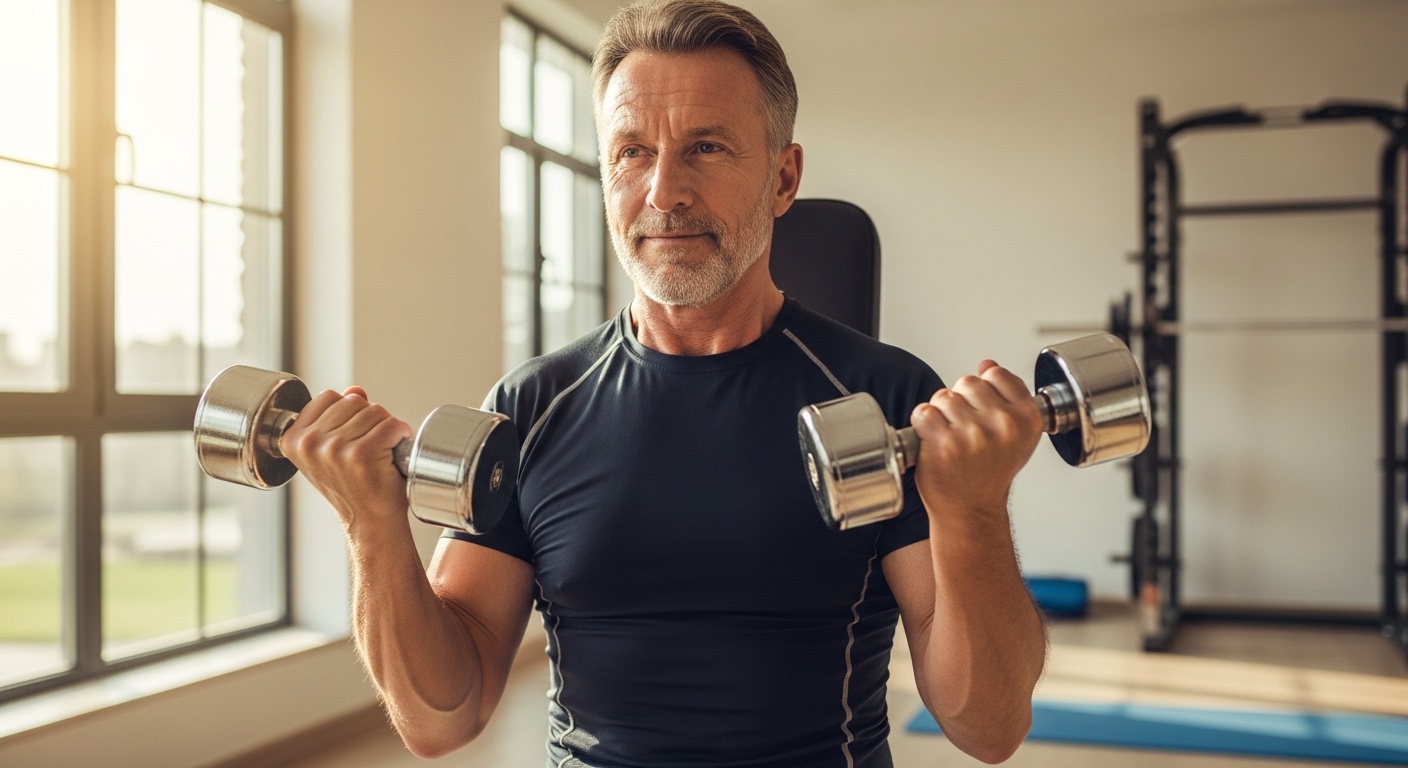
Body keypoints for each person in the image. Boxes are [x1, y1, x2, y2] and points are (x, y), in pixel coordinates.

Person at [280, 1, 1047, 765]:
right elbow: (441, 720)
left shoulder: (884, 399)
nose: (664, 192)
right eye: (632, 152)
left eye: (706, 147)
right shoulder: (530, 410)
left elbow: (988, 728)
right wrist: (372, 528)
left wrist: (974, 512)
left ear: (783, 178)